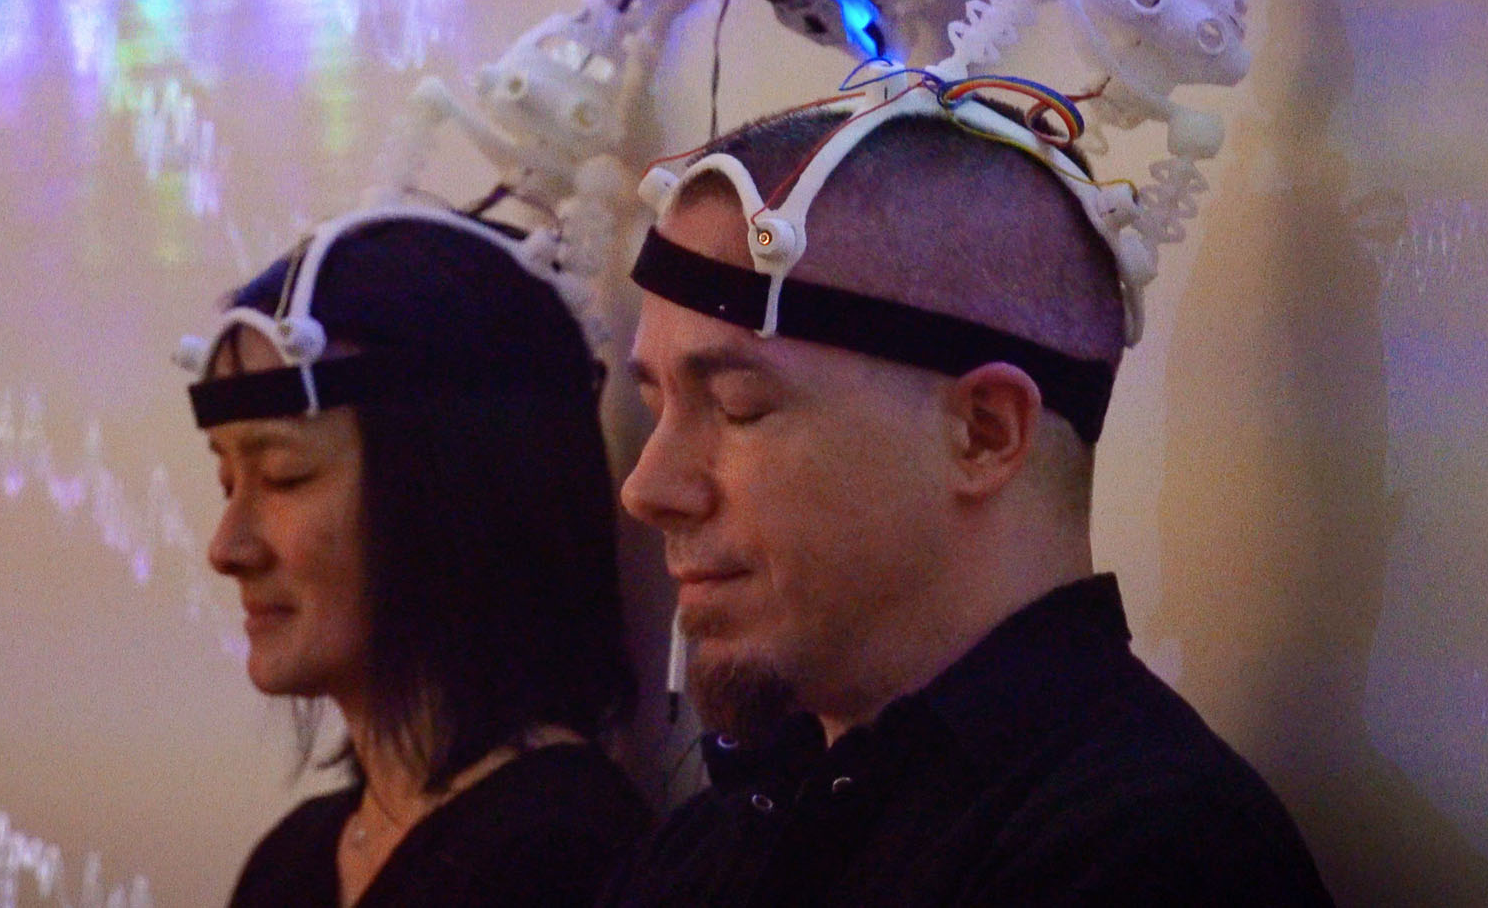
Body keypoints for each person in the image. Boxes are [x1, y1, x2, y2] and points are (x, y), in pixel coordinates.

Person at [602, 106, 1333, 905]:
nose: (648, 488)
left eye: (739, 406)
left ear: (983, 434)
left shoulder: (1147, 853)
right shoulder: (731, 828)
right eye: (657, 406)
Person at [190, 208, 651, 908]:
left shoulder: (556, 858)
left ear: (460, 492)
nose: (228, 548)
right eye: (228, 481)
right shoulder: (296, 859)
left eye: (285, 475)